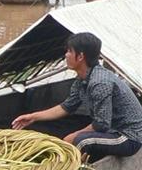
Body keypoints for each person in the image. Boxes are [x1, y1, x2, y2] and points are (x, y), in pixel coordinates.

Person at [12, 32, 142, 161]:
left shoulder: (100, 82)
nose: (66, 55)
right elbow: (67, 107)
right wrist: (33, 117)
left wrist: (73, 136)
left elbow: (102, 124)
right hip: (111, 131)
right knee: (67, 134)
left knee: (81, 141)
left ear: (80, 56)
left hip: (128, 137)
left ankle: (59, 168)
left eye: (69, 51)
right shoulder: (82, 79)